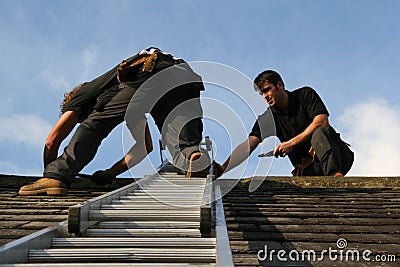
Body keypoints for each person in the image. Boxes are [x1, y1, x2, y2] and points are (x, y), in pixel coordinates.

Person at [19, 47, 211, 196]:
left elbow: (52, 141)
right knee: (184, 145)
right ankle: (193, 157)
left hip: (146, 72)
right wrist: (111, 173)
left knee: (95, 125)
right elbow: (143, 146)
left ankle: (57, 176)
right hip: (184, 79)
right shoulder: (127, 105)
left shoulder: (83, 96)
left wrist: (52, 173)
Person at [219, 70, 354, 177]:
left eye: (267, 90)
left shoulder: (305, 95)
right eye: (261, 94)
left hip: (338, 158)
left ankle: (334, 179)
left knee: (320, 132)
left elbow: (322, 121)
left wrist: (291, 143)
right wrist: (222, 168)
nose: (265, 96)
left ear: (279, 85)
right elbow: (248, 145)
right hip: (311, 170)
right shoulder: (268, 118)